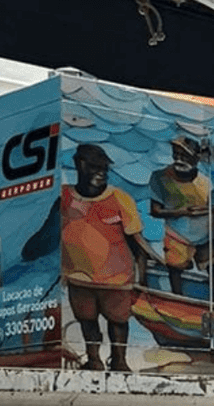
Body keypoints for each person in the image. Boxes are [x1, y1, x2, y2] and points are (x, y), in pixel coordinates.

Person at [60, 143, 158, 372]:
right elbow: (49, 231)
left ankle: (120, 360)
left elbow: (138, 244)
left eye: (104, 168)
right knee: (87, 320)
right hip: (78, 277)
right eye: (95, 167)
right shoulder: (65, 196)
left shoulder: (119, 199)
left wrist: (142, 280)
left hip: (116, 278)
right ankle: (94, 358)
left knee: (118, 321)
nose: (101, 173)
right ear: (79, 165)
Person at [147, 136, 214, 297]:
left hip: (205, 237)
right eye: (176, 154)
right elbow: (155, 210)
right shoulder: (160, 177)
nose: (179, 159)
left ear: (196, 158)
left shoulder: (206, 182)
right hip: (176, 235)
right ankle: (178, 303)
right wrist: (181, 212)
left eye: (184, 155)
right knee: (175, 273)